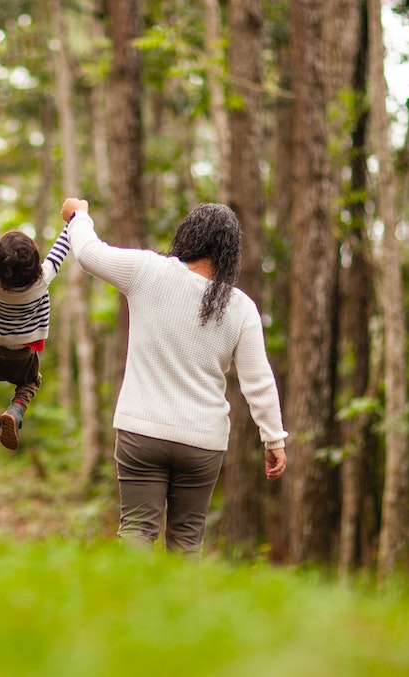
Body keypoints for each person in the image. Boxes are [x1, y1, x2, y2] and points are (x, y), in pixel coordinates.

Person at [62, 197, 289, 554]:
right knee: (187, 543)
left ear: (189, 236)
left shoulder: (148, 271)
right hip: (202, 442)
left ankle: (126, 608)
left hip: (142, 432)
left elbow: (89, 253)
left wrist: (79, 216)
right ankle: (180, 610)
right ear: (229, 254)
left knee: (136, 533)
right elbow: (258, 381)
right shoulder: (240, 307)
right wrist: (273, 439)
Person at [0, 206, 72, 450]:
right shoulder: (43, 279)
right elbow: (61, 247)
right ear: (35, 262)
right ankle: (15, 411)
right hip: (24, 352)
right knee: (30, 382)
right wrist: (72, 220)